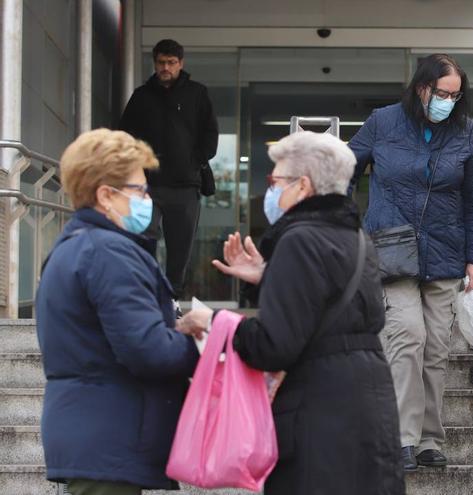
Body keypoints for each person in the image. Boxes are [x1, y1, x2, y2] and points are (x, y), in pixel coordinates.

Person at [177, 131, 404, 494]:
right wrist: (270, 276)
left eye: (275, 180)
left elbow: (275, 346)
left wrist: (215, 322)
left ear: (303, 186)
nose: (270, 190)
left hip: (319, 415)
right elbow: (329, 309)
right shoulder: (356, 239)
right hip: (368, 404)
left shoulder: (299, 240)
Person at [35, 129, 199, 495]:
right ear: (106, 196)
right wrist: (198, 342)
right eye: (139, 190)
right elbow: (147, 350)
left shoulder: (75, 247)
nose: (147, 199)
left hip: (96, 436)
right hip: (110, 439)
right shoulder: (109, 254)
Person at [347, 53, 473, 471]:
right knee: (407, 336)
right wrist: (346, 223)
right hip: (392, 251)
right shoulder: (383, 122)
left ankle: (430, 439)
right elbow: (344, 171)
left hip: (445, 251)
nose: (448, 100)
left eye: (455, 94)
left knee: (437, 348)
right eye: (442, 92)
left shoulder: (463, 131)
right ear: (421, 87)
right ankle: (402, 439)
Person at [119, 38, 219, 304]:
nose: (166, 67)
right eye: (161, 62)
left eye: (171, 62)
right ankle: (147, 295)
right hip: (147, 184)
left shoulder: (197, 93)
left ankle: (173, 299)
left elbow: (210, 134)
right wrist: (134, 169)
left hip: (185, 185)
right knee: (142, 240)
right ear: (155, 63)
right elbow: (125, 135)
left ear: (180, 63)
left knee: (180, 247)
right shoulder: (141, 96)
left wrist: (194, 160)